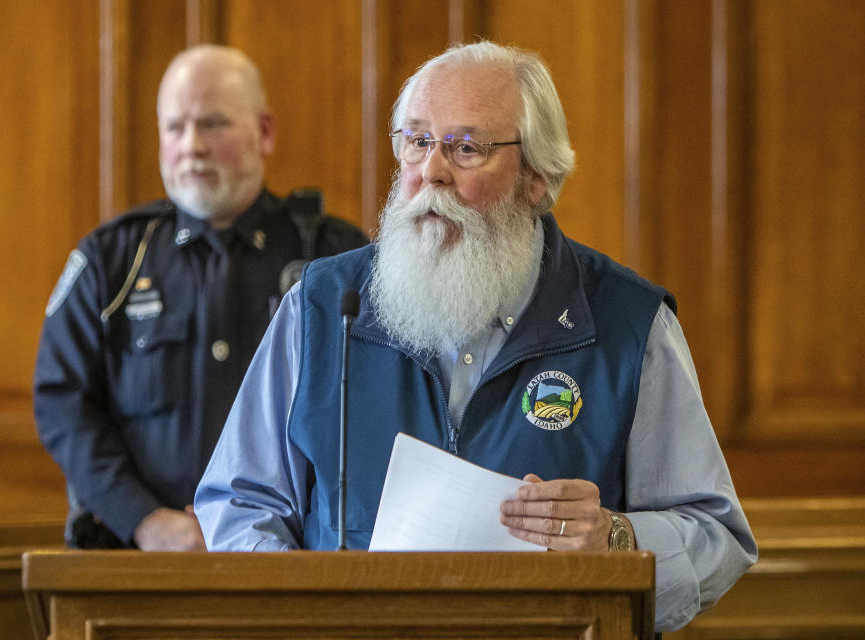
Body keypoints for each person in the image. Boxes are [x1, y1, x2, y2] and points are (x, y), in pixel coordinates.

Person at [193, 41, 756, 631]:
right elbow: (240, 500)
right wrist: (304, 614)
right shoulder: (324, 305)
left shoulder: (626, 321)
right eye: (416, 141)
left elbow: (716, 534)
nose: (431, 171)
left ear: (537, 177)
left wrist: (617, 539)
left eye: (466, 148)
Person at [33, 45, 367, 551]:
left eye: (213, 124)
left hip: (291, 562)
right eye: (174, 127)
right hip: (141, 560)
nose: (192, 145)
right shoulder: (113, 259)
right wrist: (144, 520)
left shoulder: (331, 256)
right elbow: (64, 404)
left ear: (265, 131)